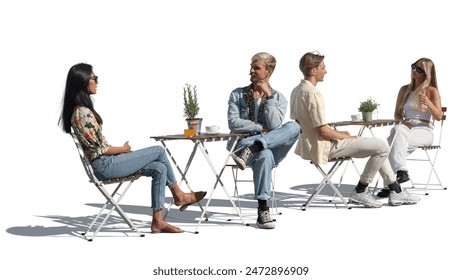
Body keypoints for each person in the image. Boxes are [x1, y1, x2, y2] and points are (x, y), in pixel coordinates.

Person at [58, 63, 206, 233]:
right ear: (83, 81)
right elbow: (101, 150)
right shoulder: (82, 113)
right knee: (158, 150)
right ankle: (179, 195)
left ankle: (158, 221)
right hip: (104, 166)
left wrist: (122, 150)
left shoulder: (82, 111)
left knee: (158, 168)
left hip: (106, 163)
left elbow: (98, 146)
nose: (97, 82)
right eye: (95, 78)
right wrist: (123, 149)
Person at [289, 51, 421, 208]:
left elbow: (304, 123)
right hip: (323, 146)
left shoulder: (296, 91)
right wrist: (346, 137)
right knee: (382, 146)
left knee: (380, 147)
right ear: (313, 70)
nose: (326, 70)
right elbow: (322, 131)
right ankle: (360, 190)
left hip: (308, 145)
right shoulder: (313, 93)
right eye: (323, 67)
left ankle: (396, 191)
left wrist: (339, 133)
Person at [227, 52, 300, 229]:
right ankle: (263, 210)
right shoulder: (238, 94)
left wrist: (268, 97)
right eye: (251, 66)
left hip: (269, 146)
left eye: (256, 67)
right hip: (242, 146)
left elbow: (275, 125)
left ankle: (257, 146)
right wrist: (259, 128)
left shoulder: (279, 98)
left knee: (295, 127)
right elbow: (233, 122)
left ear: (269, 71)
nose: (251, 70)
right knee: (265, 154)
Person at [377, 58, 443, 197]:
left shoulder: (432, 91)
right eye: (413, 66)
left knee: (392, 146)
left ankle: (390, 184)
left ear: (427, 73)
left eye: (419, 69)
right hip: (406, 127)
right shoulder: (404, 89)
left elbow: (438, 116)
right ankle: (401, 173)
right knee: (396, 131)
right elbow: (397, 113)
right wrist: (403, 122)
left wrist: (429, 103)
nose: (414, 70)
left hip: (424, 130)